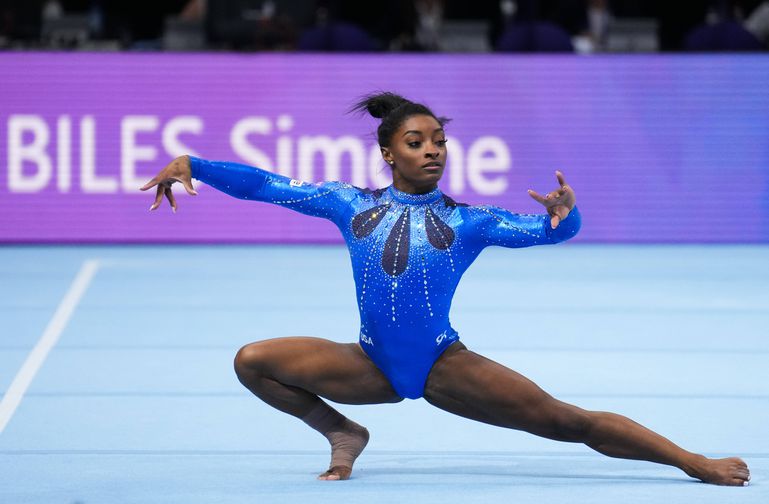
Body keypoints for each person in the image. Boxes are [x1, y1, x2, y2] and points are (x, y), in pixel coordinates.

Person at [141, 92, 750, 486]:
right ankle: (343, 432)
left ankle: (691, 461)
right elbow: (267, 185)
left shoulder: (468, 222)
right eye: (416, 142)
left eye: (439, 141)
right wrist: (197, 165)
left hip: (443, 366)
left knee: (569, 422)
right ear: (388, 153)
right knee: (253, 361)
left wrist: (567, 214)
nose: (432, 150)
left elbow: (549, 233)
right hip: (369, 364)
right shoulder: (347, 204)